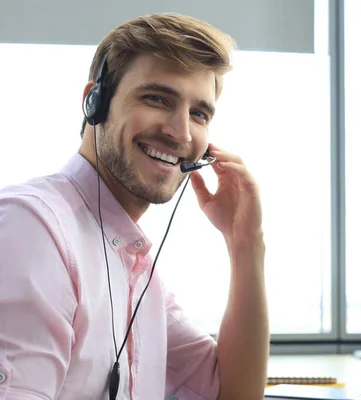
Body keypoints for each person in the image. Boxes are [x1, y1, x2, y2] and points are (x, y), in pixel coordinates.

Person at [0, 13, 268, 400]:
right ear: (96, 102)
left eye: (199, 113)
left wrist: (245, 242)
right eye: (157, 98)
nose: (181, 132)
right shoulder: (35, 229)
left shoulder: (135, 268)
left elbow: (232, 393)